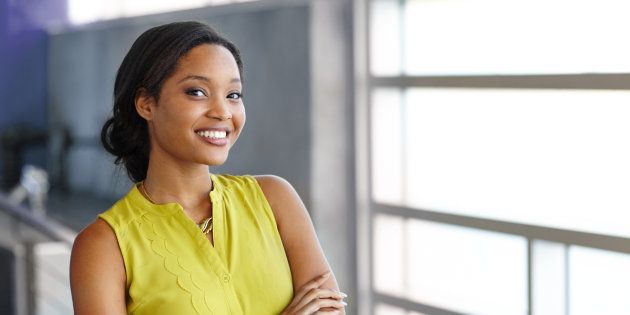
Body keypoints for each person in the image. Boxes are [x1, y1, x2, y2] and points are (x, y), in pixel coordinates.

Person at [70, 21, 346, 315]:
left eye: (233, 95)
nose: (222, 112)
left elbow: (330, 309)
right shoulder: (103, 246)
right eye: (197, 92)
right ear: (146, 104)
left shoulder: (275, 199)